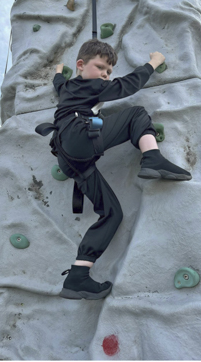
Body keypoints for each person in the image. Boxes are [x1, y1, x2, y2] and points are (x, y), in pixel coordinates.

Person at [47, 39, 191, 300]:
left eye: (109, 71)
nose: (105, 75)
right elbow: (127, 86)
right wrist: (154, 62)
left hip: (69, 159)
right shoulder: (90, 84)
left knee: (112, 214)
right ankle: (152, 157)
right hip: (79, 138)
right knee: (136, 113)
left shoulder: (68, 87)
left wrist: (58, 72)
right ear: (80, 65)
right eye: (100, 67)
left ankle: (77, 277)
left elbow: (58, 85)